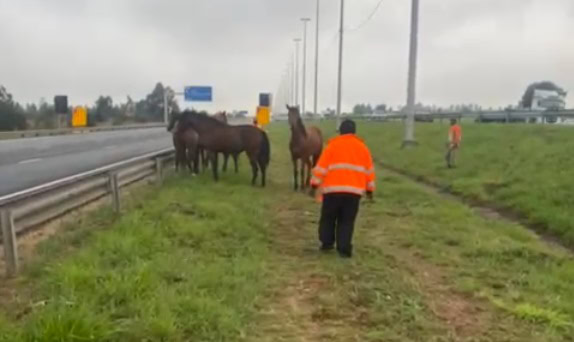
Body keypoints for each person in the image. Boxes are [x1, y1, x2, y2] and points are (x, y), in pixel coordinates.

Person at [310, 120, 375, 258]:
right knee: (347, 221)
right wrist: (369, 190)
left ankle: (327, 243)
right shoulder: (363, 148)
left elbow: (321, 168)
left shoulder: (332, 146)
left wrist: (314, 184)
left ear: (340, 131)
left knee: (328, 218)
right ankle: (344, 249)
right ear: (354, 132)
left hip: (332, 191)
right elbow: (369, 172)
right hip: (354, 193)